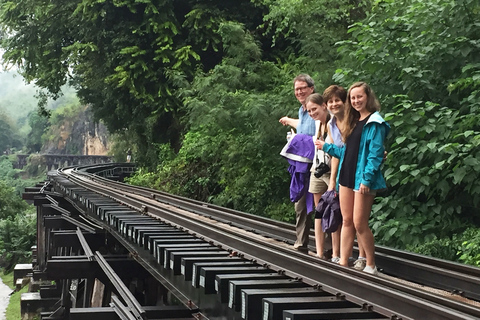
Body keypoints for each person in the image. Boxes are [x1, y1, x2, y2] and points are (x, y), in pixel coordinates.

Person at [317, 82, 390, 274]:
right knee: (347, 221)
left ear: (368, 97)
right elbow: (346, 152)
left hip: (362, 179)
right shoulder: (354, 121)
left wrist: (366, 179)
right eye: (353, 98)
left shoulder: (375, 122)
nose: (356, 101)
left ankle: (371, 264)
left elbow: (374, 155)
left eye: (359, 97)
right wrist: (325, 146)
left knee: (360, 223)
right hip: (346, 176)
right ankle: (343, 263)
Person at [322, 85, 365, 267]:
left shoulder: (354, 119)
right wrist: (333, 181)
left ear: (345, 101)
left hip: (359, 170)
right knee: (347, 219)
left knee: (359, 219)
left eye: (337, 100)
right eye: (330, 101)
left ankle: (363, 257)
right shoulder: (331, 124)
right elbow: (338, 153)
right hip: (344, 172)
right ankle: (344, 259)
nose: (334, 104)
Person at [279, 74, 316, 251]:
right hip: (301, 165)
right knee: (300, 204)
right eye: (297, 89)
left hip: (318, 164)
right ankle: (301, 242)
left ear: (311, 89)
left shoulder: (318, 108)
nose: (299, 91)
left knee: (322, 205)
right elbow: (301, 125)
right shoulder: (302, 111)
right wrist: (288, 121)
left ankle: (329, 249)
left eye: (303, 88)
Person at [304, 93, 332, 259]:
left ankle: (335, 251)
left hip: (330, 169)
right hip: (317, 168)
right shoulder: (317, 123)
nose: (312, 113)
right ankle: (320, 251)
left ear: (324, 105)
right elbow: (299, 124)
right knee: (319, 210)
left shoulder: (333, 122)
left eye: (314, 109)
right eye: (309, 111)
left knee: (334, 209)